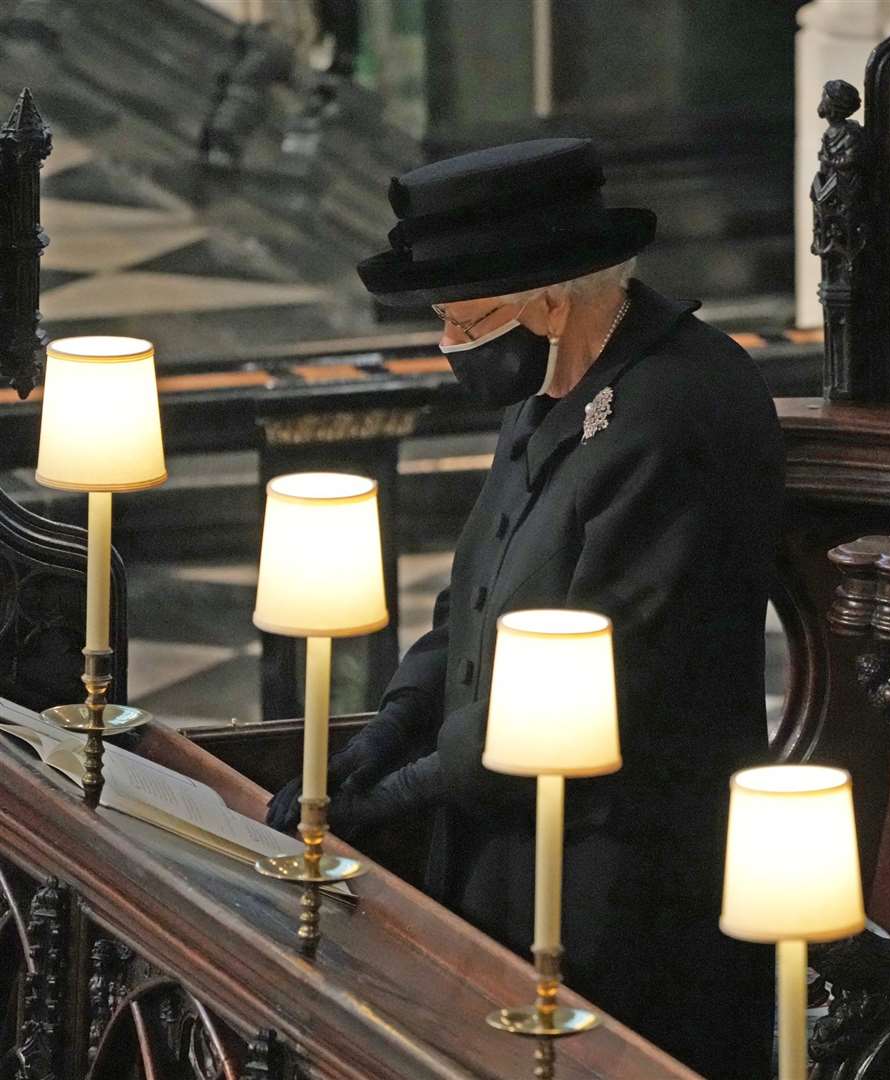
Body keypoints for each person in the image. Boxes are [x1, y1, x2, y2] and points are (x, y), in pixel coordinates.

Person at [266, 138, 782, 1077]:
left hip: (618, 880)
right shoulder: (558, 381)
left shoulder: (679, 410)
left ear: (549, 300)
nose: (448, 346)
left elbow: (610, 677)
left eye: (465, 323)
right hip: (499, 831)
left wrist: (396, 797)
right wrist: (386, 730)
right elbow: (468, 597)